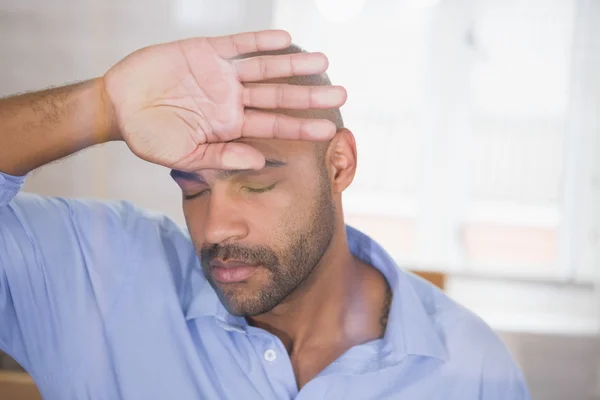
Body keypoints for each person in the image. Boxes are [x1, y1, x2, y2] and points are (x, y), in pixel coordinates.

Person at [0, 29, 530, 399]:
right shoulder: (94, 277)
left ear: (339, 165)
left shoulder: (470, 371)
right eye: (193, 191)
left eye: (255, 184)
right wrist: (100, 108)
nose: (215, 228)